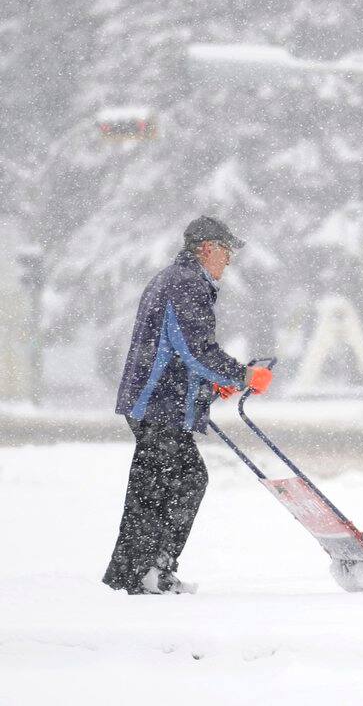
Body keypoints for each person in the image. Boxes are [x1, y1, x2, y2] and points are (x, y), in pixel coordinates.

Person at [103, 215, 274, 595]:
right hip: (156, 406)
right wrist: (241, 375)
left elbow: (178, 353)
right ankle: (143, 573)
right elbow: (193, 348)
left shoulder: (179, 280)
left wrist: (214, 386)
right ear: (208, 248)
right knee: (174, 484)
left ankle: (142, 572)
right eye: (226, 251)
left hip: (159, 404)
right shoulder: (185, 283)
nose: (229, 261)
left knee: (163, 486)